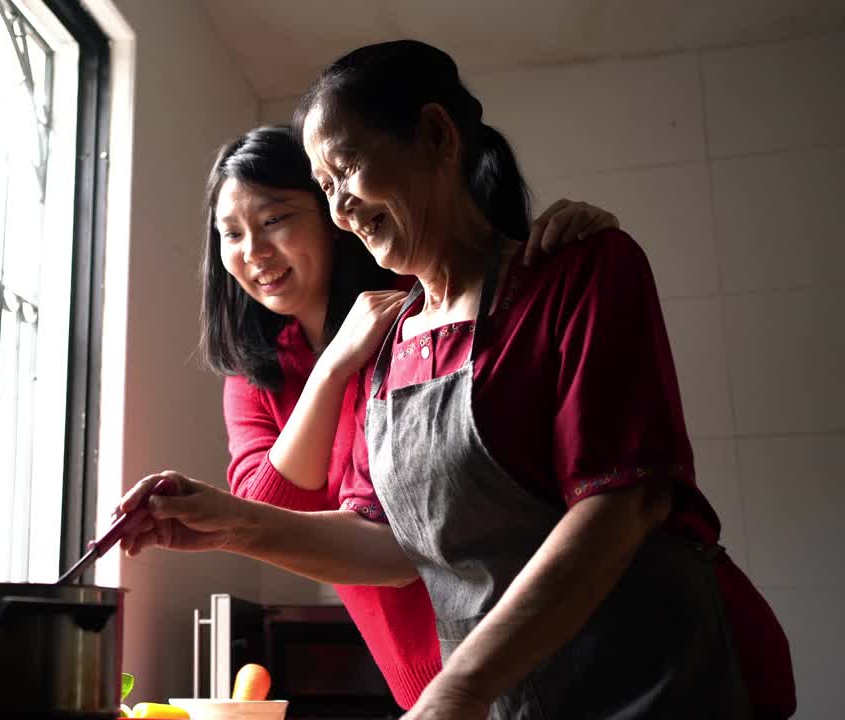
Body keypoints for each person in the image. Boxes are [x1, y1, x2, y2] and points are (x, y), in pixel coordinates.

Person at [119, 41, 794, 719]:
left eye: (347, 169)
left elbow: (623, 502)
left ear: (438, 136)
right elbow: (388, 541)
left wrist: (461, 686)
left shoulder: (578, 271)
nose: (342, 209)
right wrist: (227, 519)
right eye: (326, 188)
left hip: (665, 678)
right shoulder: (391, 346)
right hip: (521, 696)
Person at [198, 125, 619, 708]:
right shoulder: (255, 373)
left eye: (275, 220)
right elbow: (270, 514)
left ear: (332, 214)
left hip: (530, 646)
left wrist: (568, 233)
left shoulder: (421, 305)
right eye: (232, 233)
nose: (254, 252)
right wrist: (333, 367)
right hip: (419, 675)